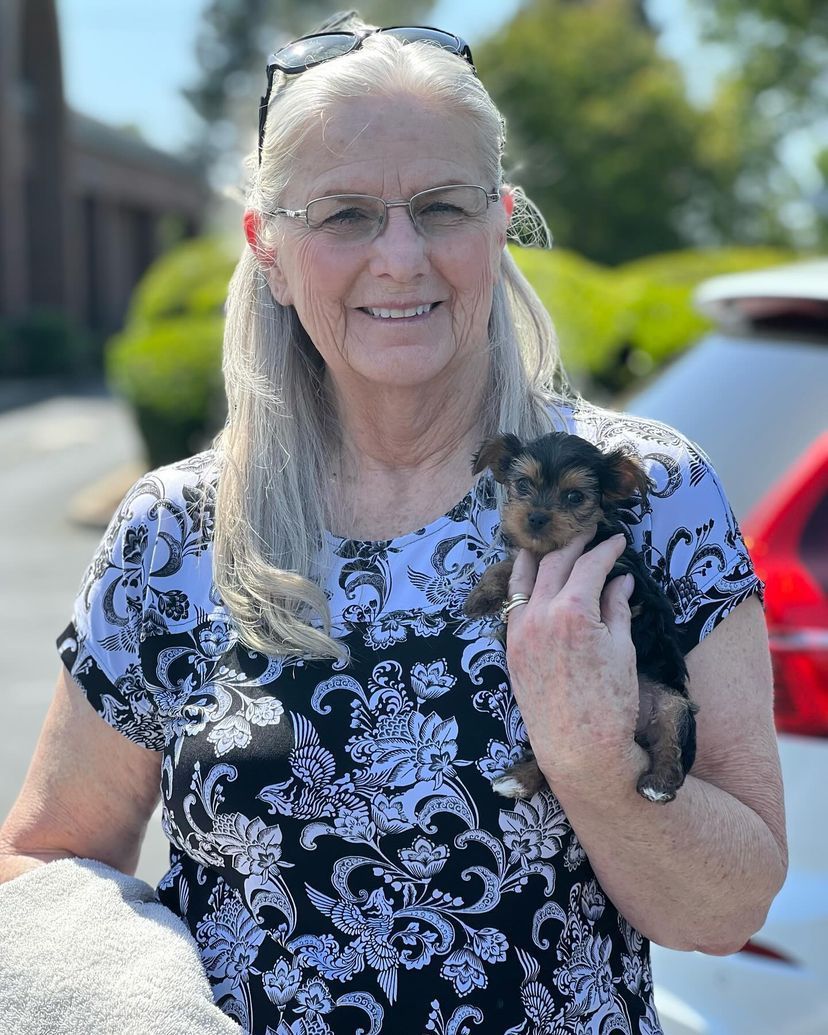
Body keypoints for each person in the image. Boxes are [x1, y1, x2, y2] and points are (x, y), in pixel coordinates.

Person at [0, 12, 786, 1035]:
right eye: (344, 215)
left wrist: (595, 762)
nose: (402, 257)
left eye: (441, 205)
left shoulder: (651, 496)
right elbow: (44, 860)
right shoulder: (173, 537)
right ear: (269, 250)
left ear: (501, 222)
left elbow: (731, 911)